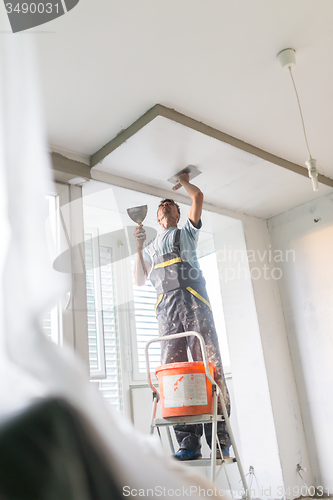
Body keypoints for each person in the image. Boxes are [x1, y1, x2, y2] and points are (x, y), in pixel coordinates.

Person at [133, 172, 231, 461]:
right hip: (167, 311)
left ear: (177, 213)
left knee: (209, 368)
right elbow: (139, 280)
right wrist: (138, 247)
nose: (165, 204)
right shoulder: (150, 247)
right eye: (162, 205)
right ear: (157, 219)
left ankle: (220, 441)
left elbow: (197, 197)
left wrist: (184, 181)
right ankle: (188, 443)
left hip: (195, 304)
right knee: (175, 376)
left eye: (171, 203)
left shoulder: (186, 233)